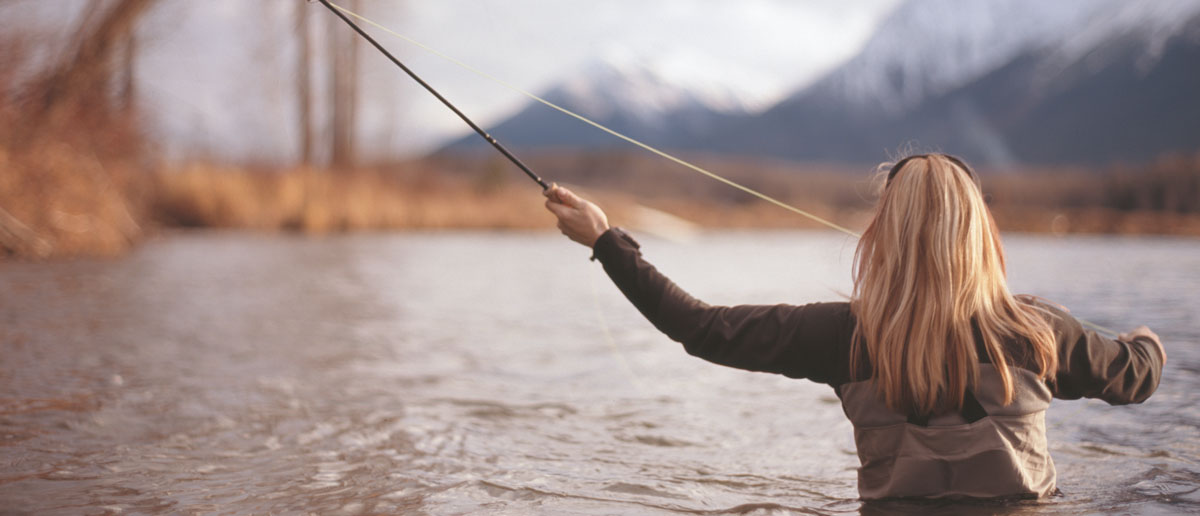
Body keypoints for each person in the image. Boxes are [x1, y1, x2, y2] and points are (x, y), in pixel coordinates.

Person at [542, 154, 1166, 500]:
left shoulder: (846, 336)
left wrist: (603, 238)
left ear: (885, 235)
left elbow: (699, 328)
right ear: (978, 236)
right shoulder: (1038, 330)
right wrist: (1148, 345)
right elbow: (1135, 380)